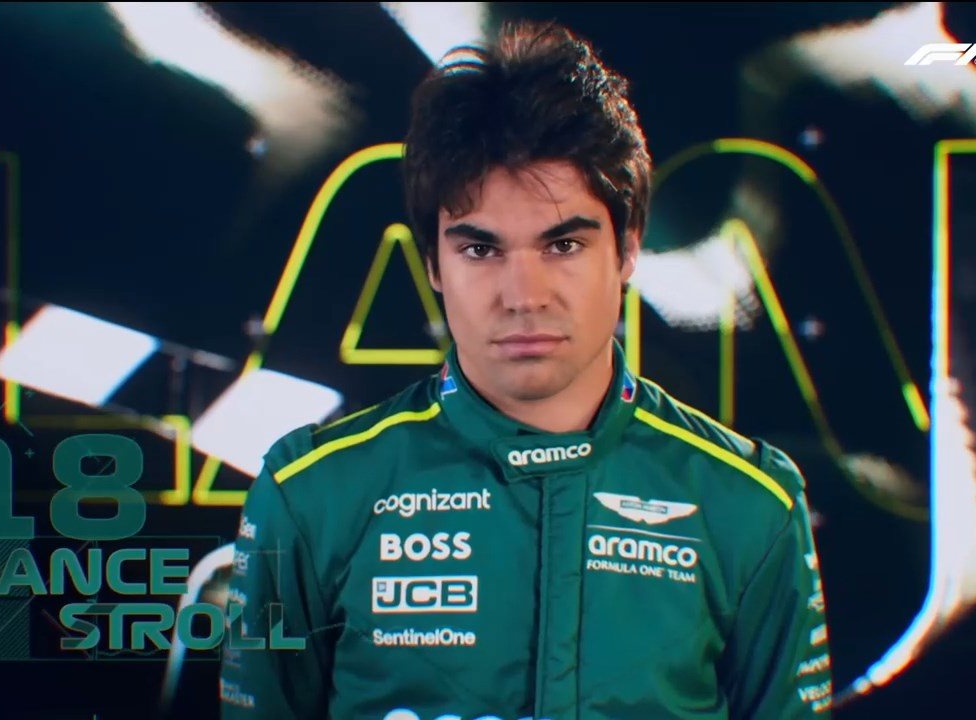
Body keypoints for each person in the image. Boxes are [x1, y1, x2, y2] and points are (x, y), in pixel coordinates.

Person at [221, 19, 832, 720]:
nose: (524, 295)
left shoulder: (750, 503)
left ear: (628, 250)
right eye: (480, 250)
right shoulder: (311, 495)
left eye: (563, 245)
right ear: (433, 264)